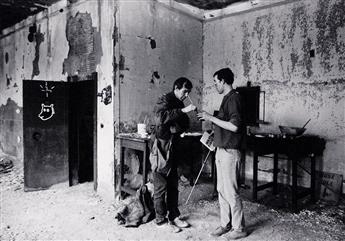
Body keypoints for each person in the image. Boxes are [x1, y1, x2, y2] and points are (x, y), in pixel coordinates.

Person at [197, 68, 247, 240]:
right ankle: (226, 224)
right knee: (221, 190)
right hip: (221, 149)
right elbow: (225, 125)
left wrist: (211, 118)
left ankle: (239, 228)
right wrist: (214, 130)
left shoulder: (234, 98)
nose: (215, 85)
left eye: (216, 82)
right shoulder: (227, 99)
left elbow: (234, 126)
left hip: (230, 152)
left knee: (231, 191)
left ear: (224, 81)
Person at [151, 77, 196, 232]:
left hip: (174, 146)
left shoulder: (179, 102)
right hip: (162, 147)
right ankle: (161, 220)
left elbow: (184, 123)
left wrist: (181, 127)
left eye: (188, 92)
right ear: (176, 88)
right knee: (161, 185)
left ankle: (174, 216)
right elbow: (160, 118)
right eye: (184, 91)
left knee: (173, 185)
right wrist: (182, 111)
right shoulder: (164, 99)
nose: (186, 95)